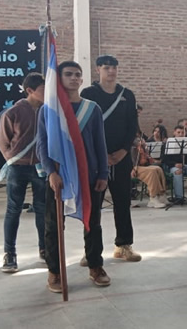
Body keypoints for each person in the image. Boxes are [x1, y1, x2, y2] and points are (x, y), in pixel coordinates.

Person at [37, 61, 110, 292]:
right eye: (68, 74)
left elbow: (100, 143)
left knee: (93, 223)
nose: (74, 78)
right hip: (59, 177)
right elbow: (42, 144)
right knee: (53, 225)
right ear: (59, 78)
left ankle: (95, 266)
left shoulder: (92, 109)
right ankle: (55, 272)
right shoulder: (48, 109)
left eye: (78, 75)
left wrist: (103, 173)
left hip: (88, 176)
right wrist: (51, 172)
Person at [80, 54, 142, 263]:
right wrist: (99, 153)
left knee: (123, 201)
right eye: (107, 67)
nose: (111, 71)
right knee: (93, 205)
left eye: (114, 67)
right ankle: (91, 250)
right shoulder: (88, 93)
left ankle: (124, 245)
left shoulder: (127, 95)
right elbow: (84, 125)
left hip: (121, 157)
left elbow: (132, 126)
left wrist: (124, 150)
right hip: (96, 158)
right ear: (98, 69)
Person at [0, 73, 47, 273]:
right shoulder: (13, 113)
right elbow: (3, 142)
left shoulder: (49, 111)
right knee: (13, 209)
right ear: (30, 91)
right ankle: (10, 253)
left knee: (42, 210)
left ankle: (45, 248)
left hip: (42, 168)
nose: (47, 93)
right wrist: (13, 158)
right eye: (43, 89)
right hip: (18, 167)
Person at [163, 125, 187, 204]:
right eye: (178, 132)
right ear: (174, 132)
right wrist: (175, 164)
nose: (181, 134)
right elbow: (165, 159)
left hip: (186, 166)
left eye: (182, 133)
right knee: (178, 172)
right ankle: (179, 197)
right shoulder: (168, 143)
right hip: (173, 166)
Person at [132, 133, 169, 208]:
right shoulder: (130, 145)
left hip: (142, 166)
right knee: (152, 172)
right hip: (133, 167)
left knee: (158, 169)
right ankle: (153, 198)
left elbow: (145, 160)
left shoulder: (141, 142)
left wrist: (145, 150)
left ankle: (161, 195)